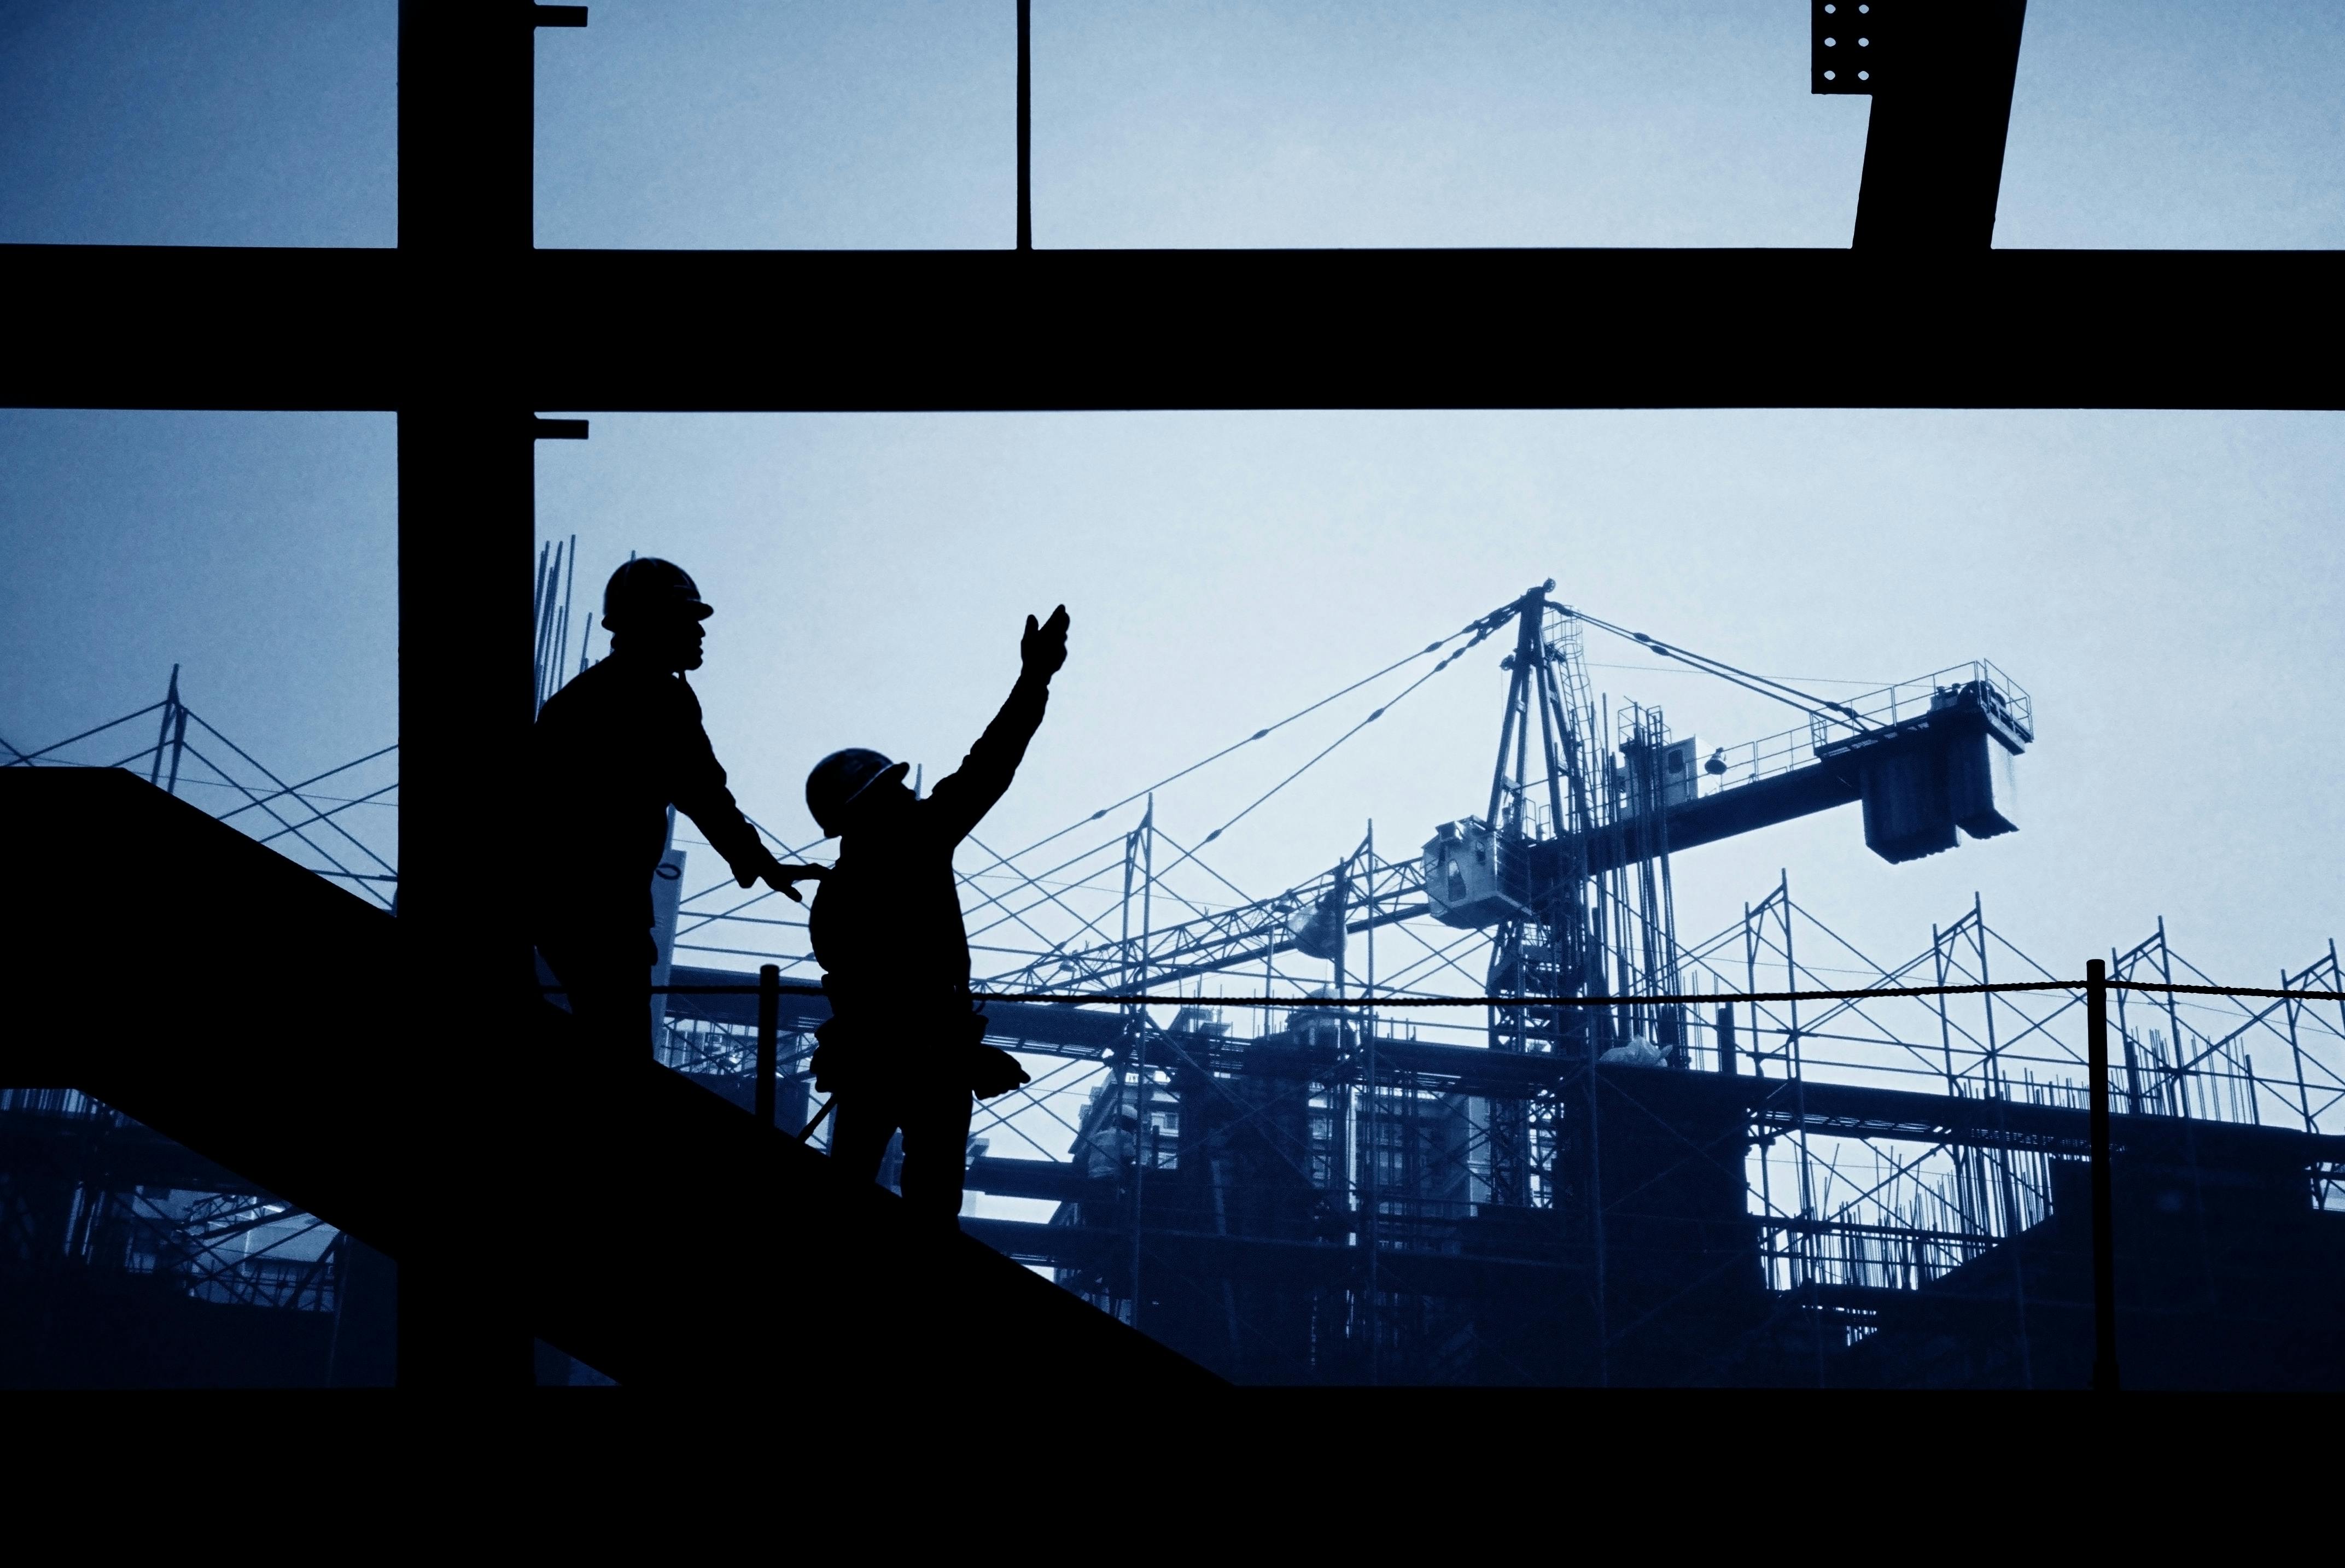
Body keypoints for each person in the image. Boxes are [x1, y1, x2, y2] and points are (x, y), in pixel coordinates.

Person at [805, 605, 1069, 1218]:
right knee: (929, 1206)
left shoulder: (835, 896)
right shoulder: (918, 842)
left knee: (850, 1184)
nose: (909, 791)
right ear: (868, 807)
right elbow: (990, 765)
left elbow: (858, 991)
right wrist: (1034, 679)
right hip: (924, 1059)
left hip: (871, 1060)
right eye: (894, 787)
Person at [529, 558, 824, 1070]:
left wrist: (754, 859)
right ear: (653, 625)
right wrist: (757, 861)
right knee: (619, 1048)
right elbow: (703, 792)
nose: (701, 633)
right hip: (601, 908)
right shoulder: (656, 697)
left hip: (567, 903)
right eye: (688, 620)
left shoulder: (582, 699)